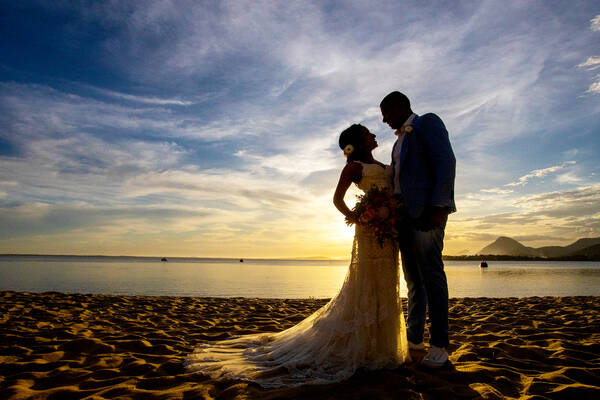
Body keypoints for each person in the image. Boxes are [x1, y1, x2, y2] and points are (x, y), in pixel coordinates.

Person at [184, 124, 409, 387]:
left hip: (389, 232)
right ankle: (364, 348)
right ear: (359, 141)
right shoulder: (354, 167)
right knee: (367, 282)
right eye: (368, 133)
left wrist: (391, 213)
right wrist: (358, 217)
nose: (373, 135)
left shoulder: (383, 163)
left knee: (385, 283)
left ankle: (381, 348)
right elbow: (337, 199)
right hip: (369, 234)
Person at [380, 91, 456, 368]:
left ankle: (439, 344)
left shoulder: (427, 123)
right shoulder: (399, 141)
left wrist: (438, 207)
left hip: (427, 212)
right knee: (413, 279)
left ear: (400, 106)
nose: (385, 120)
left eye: (386, 113)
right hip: (403, 216)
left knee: (432, 275)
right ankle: (414, 338)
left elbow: (446, 162)